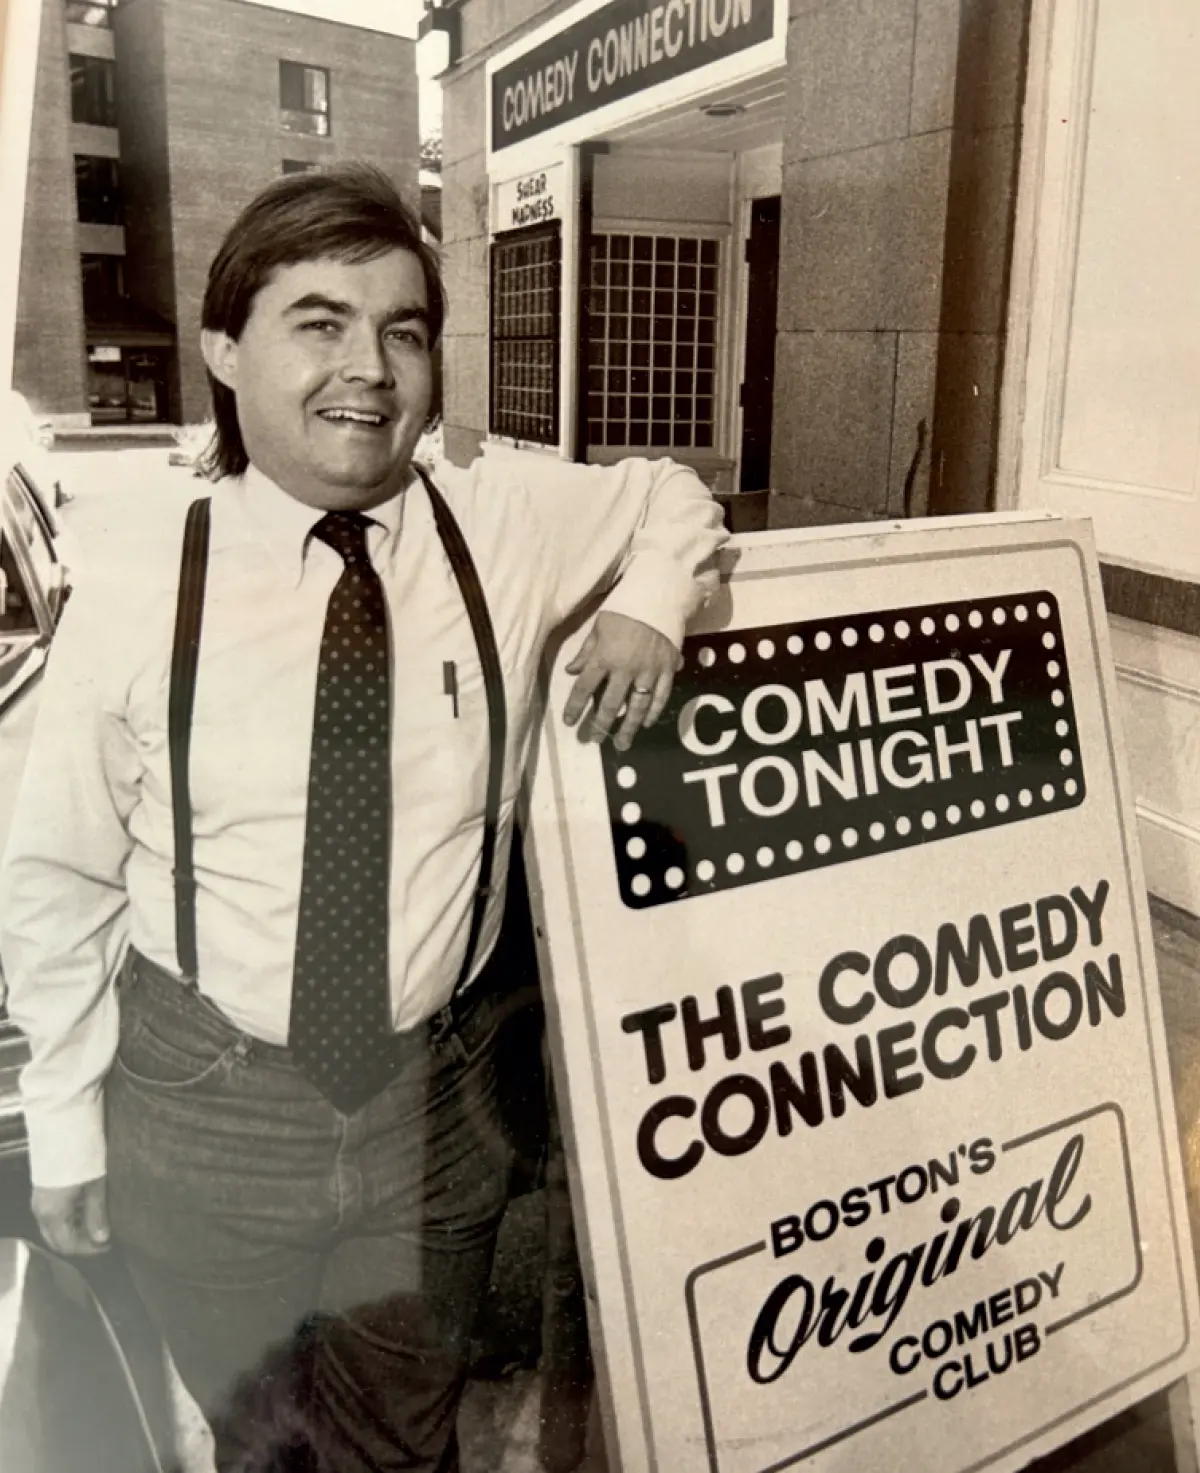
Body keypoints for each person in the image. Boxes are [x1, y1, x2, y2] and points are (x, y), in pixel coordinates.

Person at [0, 164, 725, 1471]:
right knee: (264, 1444)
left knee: (406, 1439)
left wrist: (652, 599)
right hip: (202, 1103)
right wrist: (63, 1124)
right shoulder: (138, 575)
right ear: (225, 348)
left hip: (426, 1108)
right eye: (320, 323)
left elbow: (672, 493)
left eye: (403, 330)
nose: (371, 369)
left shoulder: (498, 524)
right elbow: (57, 877)